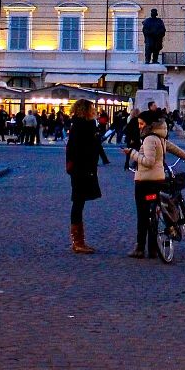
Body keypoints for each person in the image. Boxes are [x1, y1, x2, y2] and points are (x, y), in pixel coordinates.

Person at [124, 118, 185, 259]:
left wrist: (132, 153)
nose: (139, 127)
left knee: (142, 215)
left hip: (144, 180)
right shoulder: (161, 139)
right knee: (154, 213)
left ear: (149, 126)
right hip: (158, 180)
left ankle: (140, 248)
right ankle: (154, 248)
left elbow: (148, 162)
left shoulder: (149, 139)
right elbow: (173, 148)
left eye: (142, 124)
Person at [65, 99, 103, 254]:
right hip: (82, 168)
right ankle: (77, 242)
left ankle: (79, 241)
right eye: (91, 108)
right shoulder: (84, 126)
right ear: (86, 110)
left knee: (79, 202)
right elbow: (77, 148)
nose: (93, 110)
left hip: (81, 168)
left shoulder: (79, 125)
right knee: (78, 202)